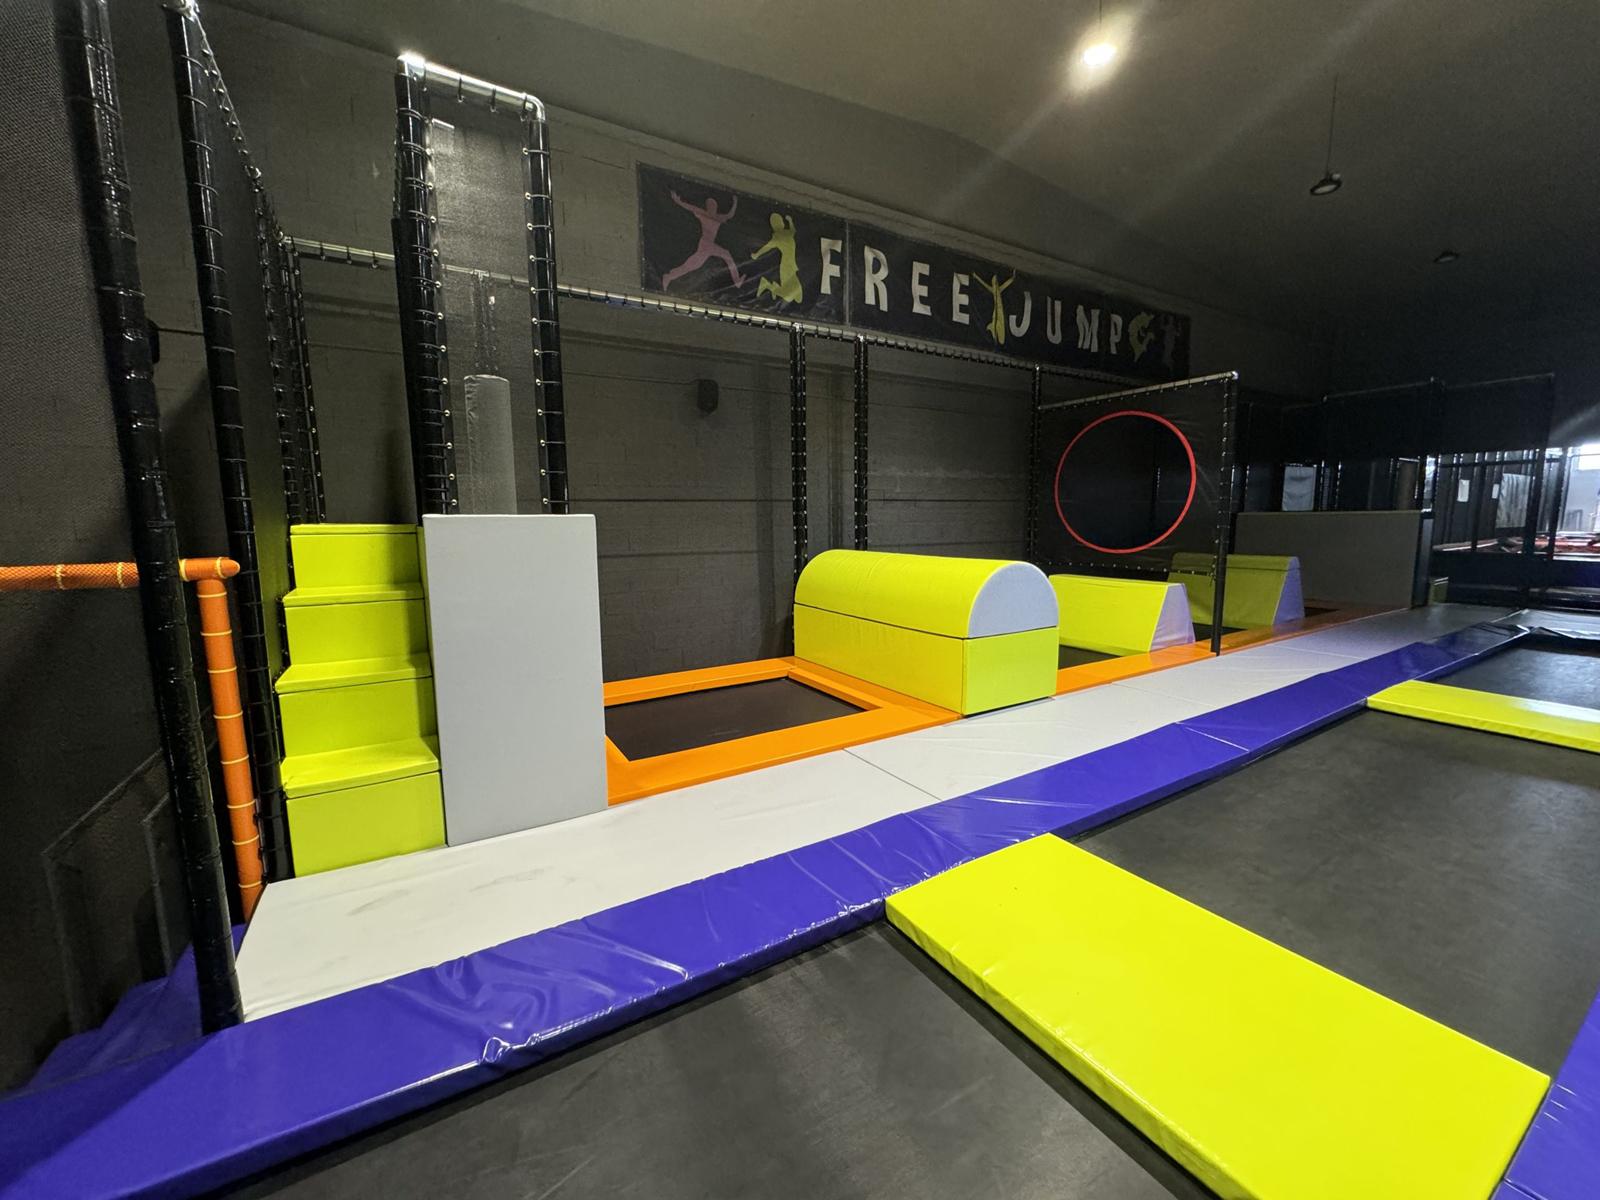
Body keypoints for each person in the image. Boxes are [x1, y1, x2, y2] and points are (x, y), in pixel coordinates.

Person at [660, 190, 744, 290]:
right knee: (727, 255)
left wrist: (735, 203)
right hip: (705, 243)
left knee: (692, 265)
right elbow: (690, 207)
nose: (712, 207)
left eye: (713, 205)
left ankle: (669, 276)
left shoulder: (719, 217)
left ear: (716, 207)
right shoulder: (703, 214)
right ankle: (737, 281)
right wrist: (678, 201)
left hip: (707, 246)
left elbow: (730, 215)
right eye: (710, 205)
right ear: (707, 207)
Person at [752, 212, 803, 303]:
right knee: (791, 297)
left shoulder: (787, 233)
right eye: (778, 222)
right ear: (774, 225)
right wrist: (756, 254)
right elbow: (766, 247)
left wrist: (790, 221)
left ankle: (769, 286)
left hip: (792, 266)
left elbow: (793, 230)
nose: (781, 223)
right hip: (786, 268)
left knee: (798, 297)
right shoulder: (777, 237)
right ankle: (767, 285)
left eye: (781, 221)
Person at [974, 271, 1014, 345]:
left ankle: (998, 337)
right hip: (997, 308)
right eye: (994, 283)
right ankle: (995, 336)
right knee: (995, 321)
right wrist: (976, 277)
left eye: (996, 282)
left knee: (999, 323)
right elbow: (983, 284)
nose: (995, 284)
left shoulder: (999, 289)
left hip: (999, 309)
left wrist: (1012, 278)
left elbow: (1007, 283)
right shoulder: (992, 289)